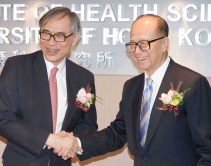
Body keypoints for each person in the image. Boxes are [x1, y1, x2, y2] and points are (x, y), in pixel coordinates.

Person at [59, 14, 211, 165]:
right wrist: (77, 143)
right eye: (132, 44)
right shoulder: (132, 87)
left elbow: (207, 149)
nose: (137, 51)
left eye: (144, 44)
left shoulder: (192, 83)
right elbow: (118, 133)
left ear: (164, 44)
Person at [0, 7, 97, 166]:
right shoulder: (17, 68)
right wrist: (49, 140)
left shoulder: (83, 78)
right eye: (45, 33)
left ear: (75, 39)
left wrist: (71, 142)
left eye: (59, 36)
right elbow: (3, 118)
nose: (51, 42)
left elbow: (87, 123)